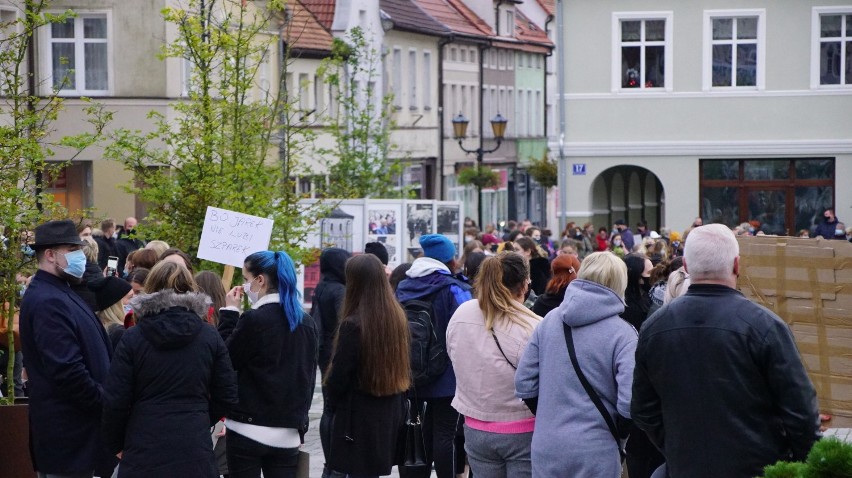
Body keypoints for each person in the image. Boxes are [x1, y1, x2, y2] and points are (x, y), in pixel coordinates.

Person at [631, 224, 821, 478]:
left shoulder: (654, 327)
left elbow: (643, 408)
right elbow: (801, 414)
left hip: (687, 466)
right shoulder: (765, 326)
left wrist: (679, 446)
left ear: (686, 266)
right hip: (758, 467)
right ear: (737, 265)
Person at [102, 261, 238, 478]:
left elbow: (115, 400)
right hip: (194, 445)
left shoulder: (133, 337)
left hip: (143, 443)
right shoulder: (209, 336)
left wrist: (117, 443)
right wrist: (200, 417)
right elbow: (227, 393)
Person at [515, 252, 636, 478]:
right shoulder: (623, 335)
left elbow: (523, 383)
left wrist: (548, 414)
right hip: (597, 448)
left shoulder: (549, 320)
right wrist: (619, 435)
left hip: (547, 444)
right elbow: (629, 404)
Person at [20, 219, 115, 478]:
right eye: (73, 251)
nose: (80, 258)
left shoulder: (61, 291)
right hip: (69, 440)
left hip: (79, 439)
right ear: (50, 255)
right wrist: (105, 402)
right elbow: (67, 370)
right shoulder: (48, 300)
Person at [219, 250, 318, 478]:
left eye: (246, 280)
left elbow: (224, 361)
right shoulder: (307, 322)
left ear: (260, 280)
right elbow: (308, 379)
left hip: (247, 427)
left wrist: (230, 313)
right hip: (288, 432)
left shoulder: (254, 319)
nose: (244, 287)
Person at [447, 253, 542, 478]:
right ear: (523, 285)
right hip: (522, 428)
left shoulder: (462, 313)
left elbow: (453, 354)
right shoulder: (532, 326)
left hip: (475, 425)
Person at [323, 254, 411, 478]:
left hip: (358, 414)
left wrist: (331, 397)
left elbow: (340, 374)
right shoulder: (397, 317)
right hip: (390, 408)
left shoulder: (353, 324)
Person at [396, 234, 473, 478]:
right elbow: (466, 329)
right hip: (447, 373)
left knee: (415, 430)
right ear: (448, 259)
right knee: (444, 434)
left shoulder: (403, 286)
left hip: (412, 371)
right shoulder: (453, 288)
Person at [619, 254, 663, 478]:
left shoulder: (643, 302)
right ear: (636, 277)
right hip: (636, 382)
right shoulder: (635, 308)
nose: (651, 278)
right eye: (647, 274)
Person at [311, 247, 351, 478]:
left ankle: (329, 461)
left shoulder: (322, 286)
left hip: (323, 352)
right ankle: (335, 460)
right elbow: (343, 325)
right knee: (335, 409)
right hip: (335, 354)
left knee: (328, 407)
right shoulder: (339, 290)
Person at [88, 276, 133, 350]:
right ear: (116, 303)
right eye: (130, 297)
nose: (134, 301)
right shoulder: (119, 333)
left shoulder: (94, 323)